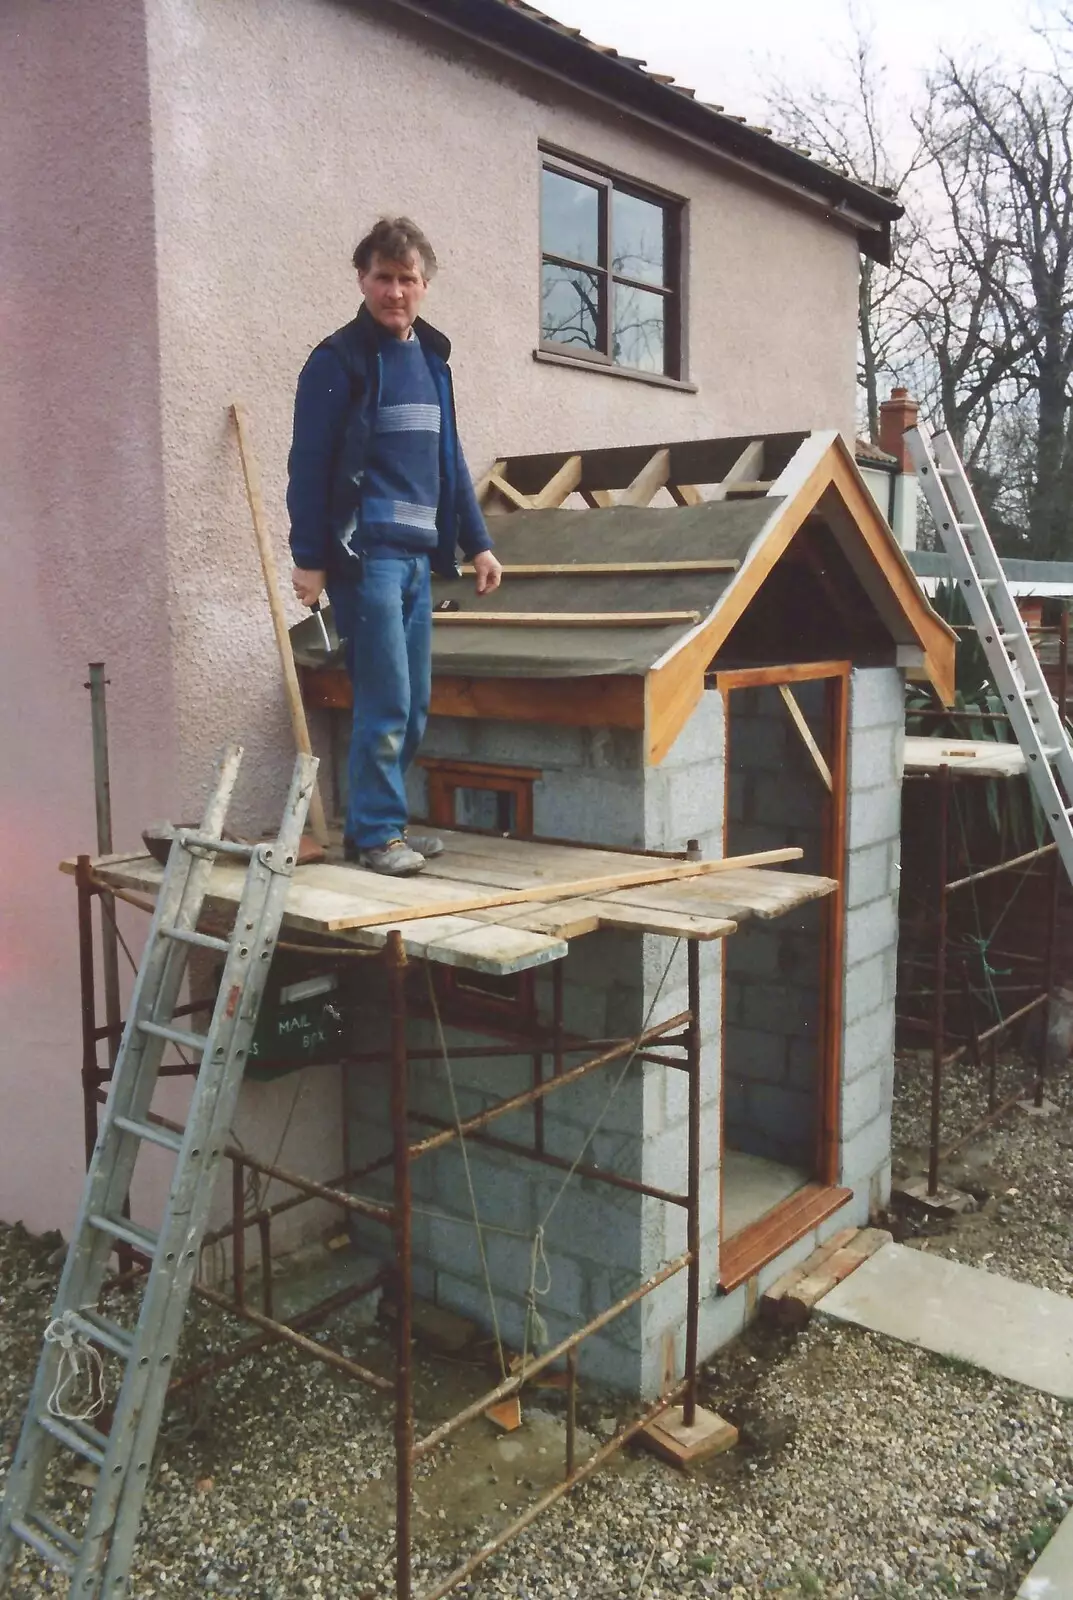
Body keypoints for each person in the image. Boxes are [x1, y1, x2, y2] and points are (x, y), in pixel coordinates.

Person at [287, 217, 502, 876]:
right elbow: (310, 462)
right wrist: (309, 558)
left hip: (418, 558)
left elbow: (447, 457)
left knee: (412, 703)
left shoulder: (431, 361)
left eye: (407, 279)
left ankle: (380, 827)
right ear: (362, 279)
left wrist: (479, 543)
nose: (395, 292)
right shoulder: (337, 360)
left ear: (425, 285)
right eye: (383, 278)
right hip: (367, 556)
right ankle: (378, 833)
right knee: (383, 698)